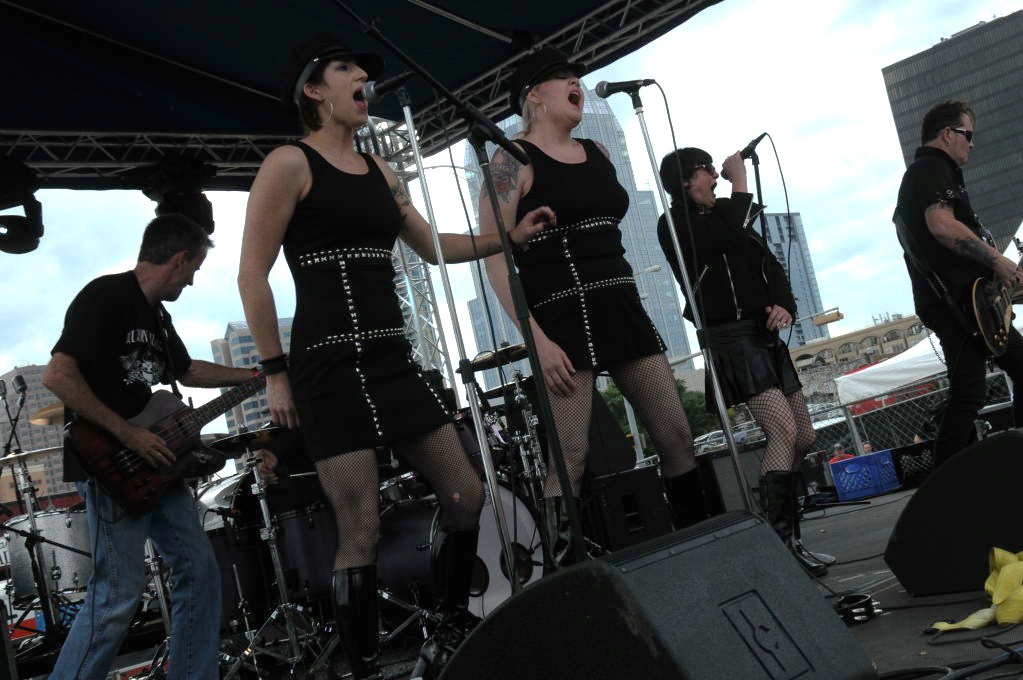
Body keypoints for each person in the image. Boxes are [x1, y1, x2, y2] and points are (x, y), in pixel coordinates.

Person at [237, 34, 553, 679]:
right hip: (327, 366)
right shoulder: (288, 163)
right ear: (313, 90)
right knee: (359, 526)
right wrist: (275, 373)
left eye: (364, 70)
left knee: (466, 494)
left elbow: (434, 247)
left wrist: (509, 235)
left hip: (391, 361)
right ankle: (365, 669)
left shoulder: (382, 172)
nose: (362, 78)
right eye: (345, 68)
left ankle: (447, 627)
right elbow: (251, 274)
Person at [478, 46, 707, 565]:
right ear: (533, 96)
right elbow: (493, 255)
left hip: (619, 304)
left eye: (576, 76)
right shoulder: (510, 161)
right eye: (561, 77)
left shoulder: (597, 152)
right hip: (559, 317)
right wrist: (536, 341)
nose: (575, 83)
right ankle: (564, 579)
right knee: (570, 457)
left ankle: (697, 556)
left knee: (676, 434)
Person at [42, 214, 257, 679]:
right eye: (194, 269)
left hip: (157, 466)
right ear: (179, 259)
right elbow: (57, 375)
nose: (192, 281)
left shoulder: (158, 315)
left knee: (199, 572)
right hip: (112, 464)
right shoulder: (106, 296)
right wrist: (128, 433)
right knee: (118, 593)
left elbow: (187, 371)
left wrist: (259, 376)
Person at [656, 147, 829, 576]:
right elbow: (722, 241)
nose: (715, 175)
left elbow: (768, 264)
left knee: (804, 435)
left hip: (763, 335)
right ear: (684, 181)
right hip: (731, 338)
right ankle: (778, 548)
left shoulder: (730, 216)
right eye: (706, 170)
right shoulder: (675, 224)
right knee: (782, 431)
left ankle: (791, 535)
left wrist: (784, 305)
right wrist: (740, 185)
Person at [893, 99, 1023, 468]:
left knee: (985, 383)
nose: (972, 143)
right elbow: (941, 225)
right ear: (947, 134)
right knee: (969, 393)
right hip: (959, 303)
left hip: (968, 300)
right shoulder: (931, 168)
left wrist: (1006, 283)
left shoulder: (931, 172)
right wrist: (998, 260)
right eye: (968, 135)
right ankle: (943, 484)